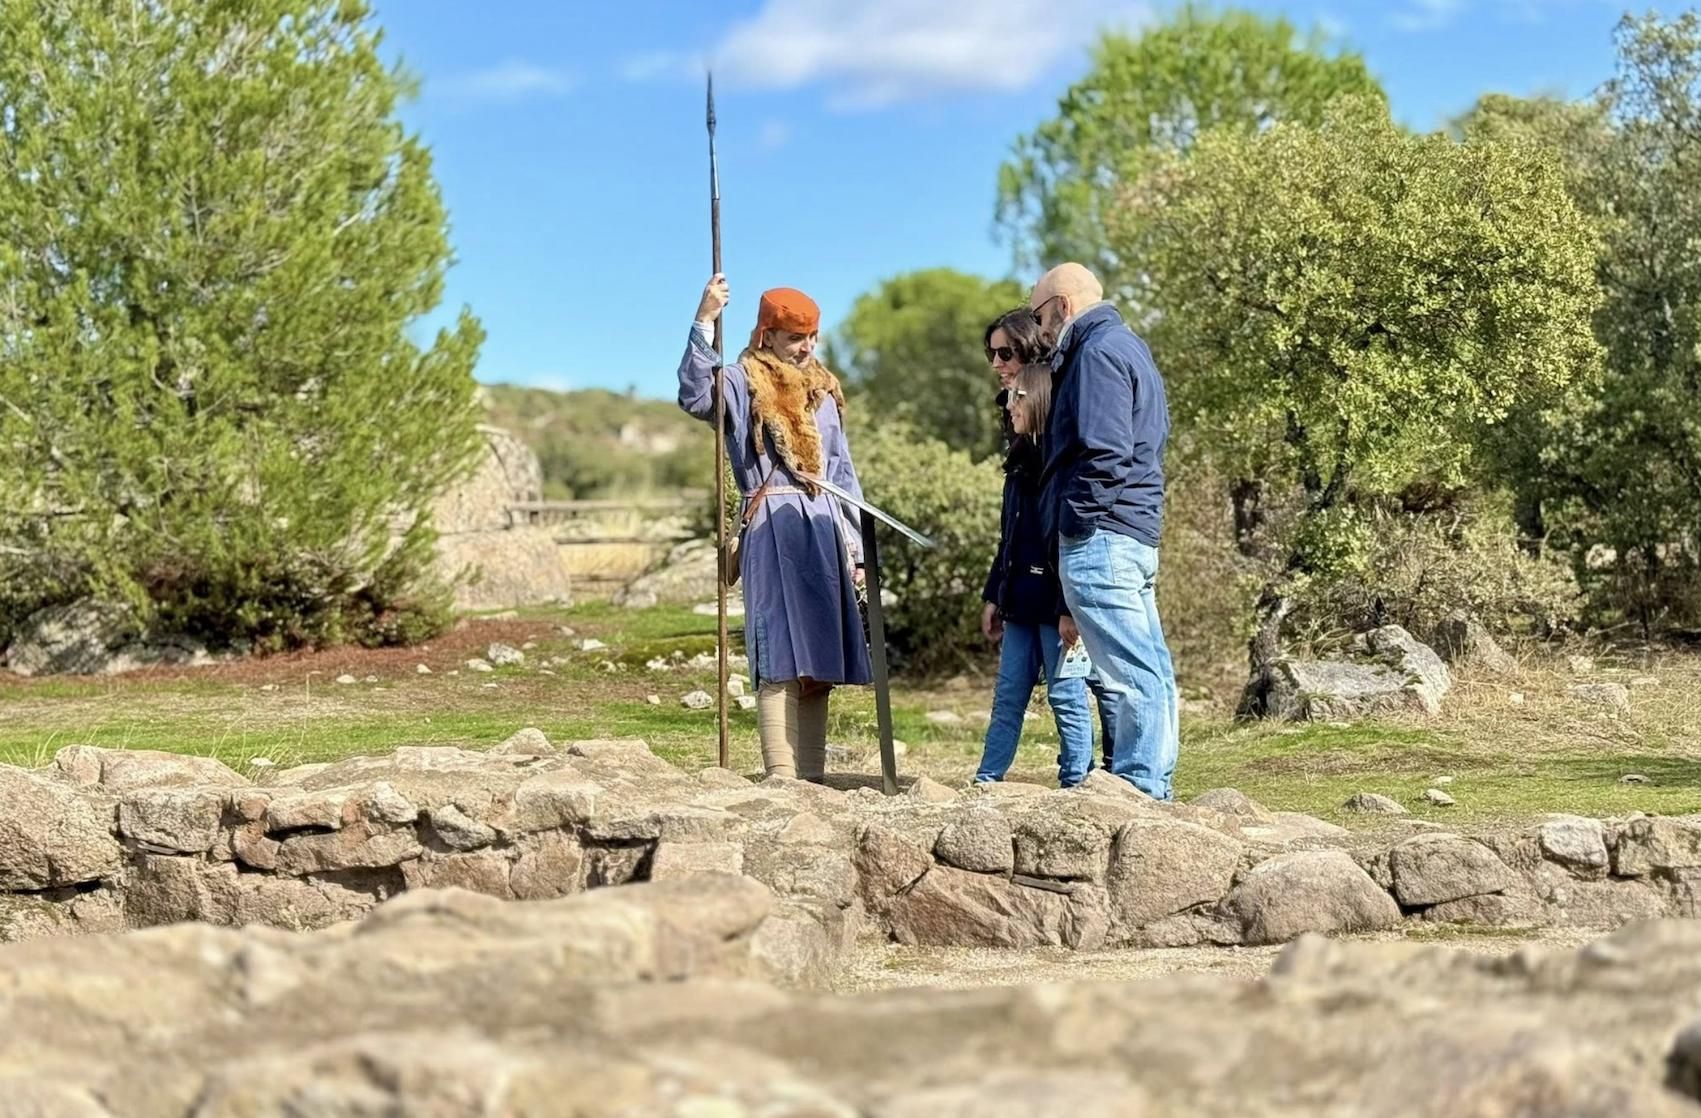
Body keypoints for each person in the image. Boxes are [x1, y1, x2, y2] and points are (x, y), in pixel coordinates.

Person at [678, 274, 869, 782]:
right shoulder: (743, 382)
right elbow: (697, 396)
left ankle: (813, 780)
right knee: (779, 652)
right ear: (767, 335)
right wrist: (704, 320)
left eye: (810, 338)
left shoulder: (824, 391)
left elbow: (842, 473)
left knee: (821, 659)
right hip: (770, 527)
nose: (804, 348)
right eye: (793, 338)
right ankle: (782, 779)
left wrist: (856, 547)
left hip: (824, 529)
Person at [1031, 262, 1180, 800]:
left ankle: (1140, 791)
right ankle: (1153, 786)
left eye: (1040, 317)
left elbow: (1106, 453)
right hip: (1132, 533)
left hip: (1105, 537)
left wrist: (1074, 523)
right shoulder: (1129, 346)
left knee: (1129, 675)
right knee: (1150, 670)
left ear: (1063, 308)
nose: (1040, 331)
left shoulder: (1094, 353)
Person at [975, 364, 1096, 787]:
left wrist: (1068, 609)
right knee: (1007, 697)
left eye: (1018, 397)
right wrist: (995, 595)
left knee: (1066, 696)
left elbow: (1070, 544)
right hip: (1020, 605)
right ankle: (986, 781)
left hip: (1055, 607)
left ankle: (1077, 782)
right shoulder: (1017, 463)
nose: (1010, 405)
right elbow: (1009, 539)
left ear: (1041, 400)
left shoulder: (1066, 466)